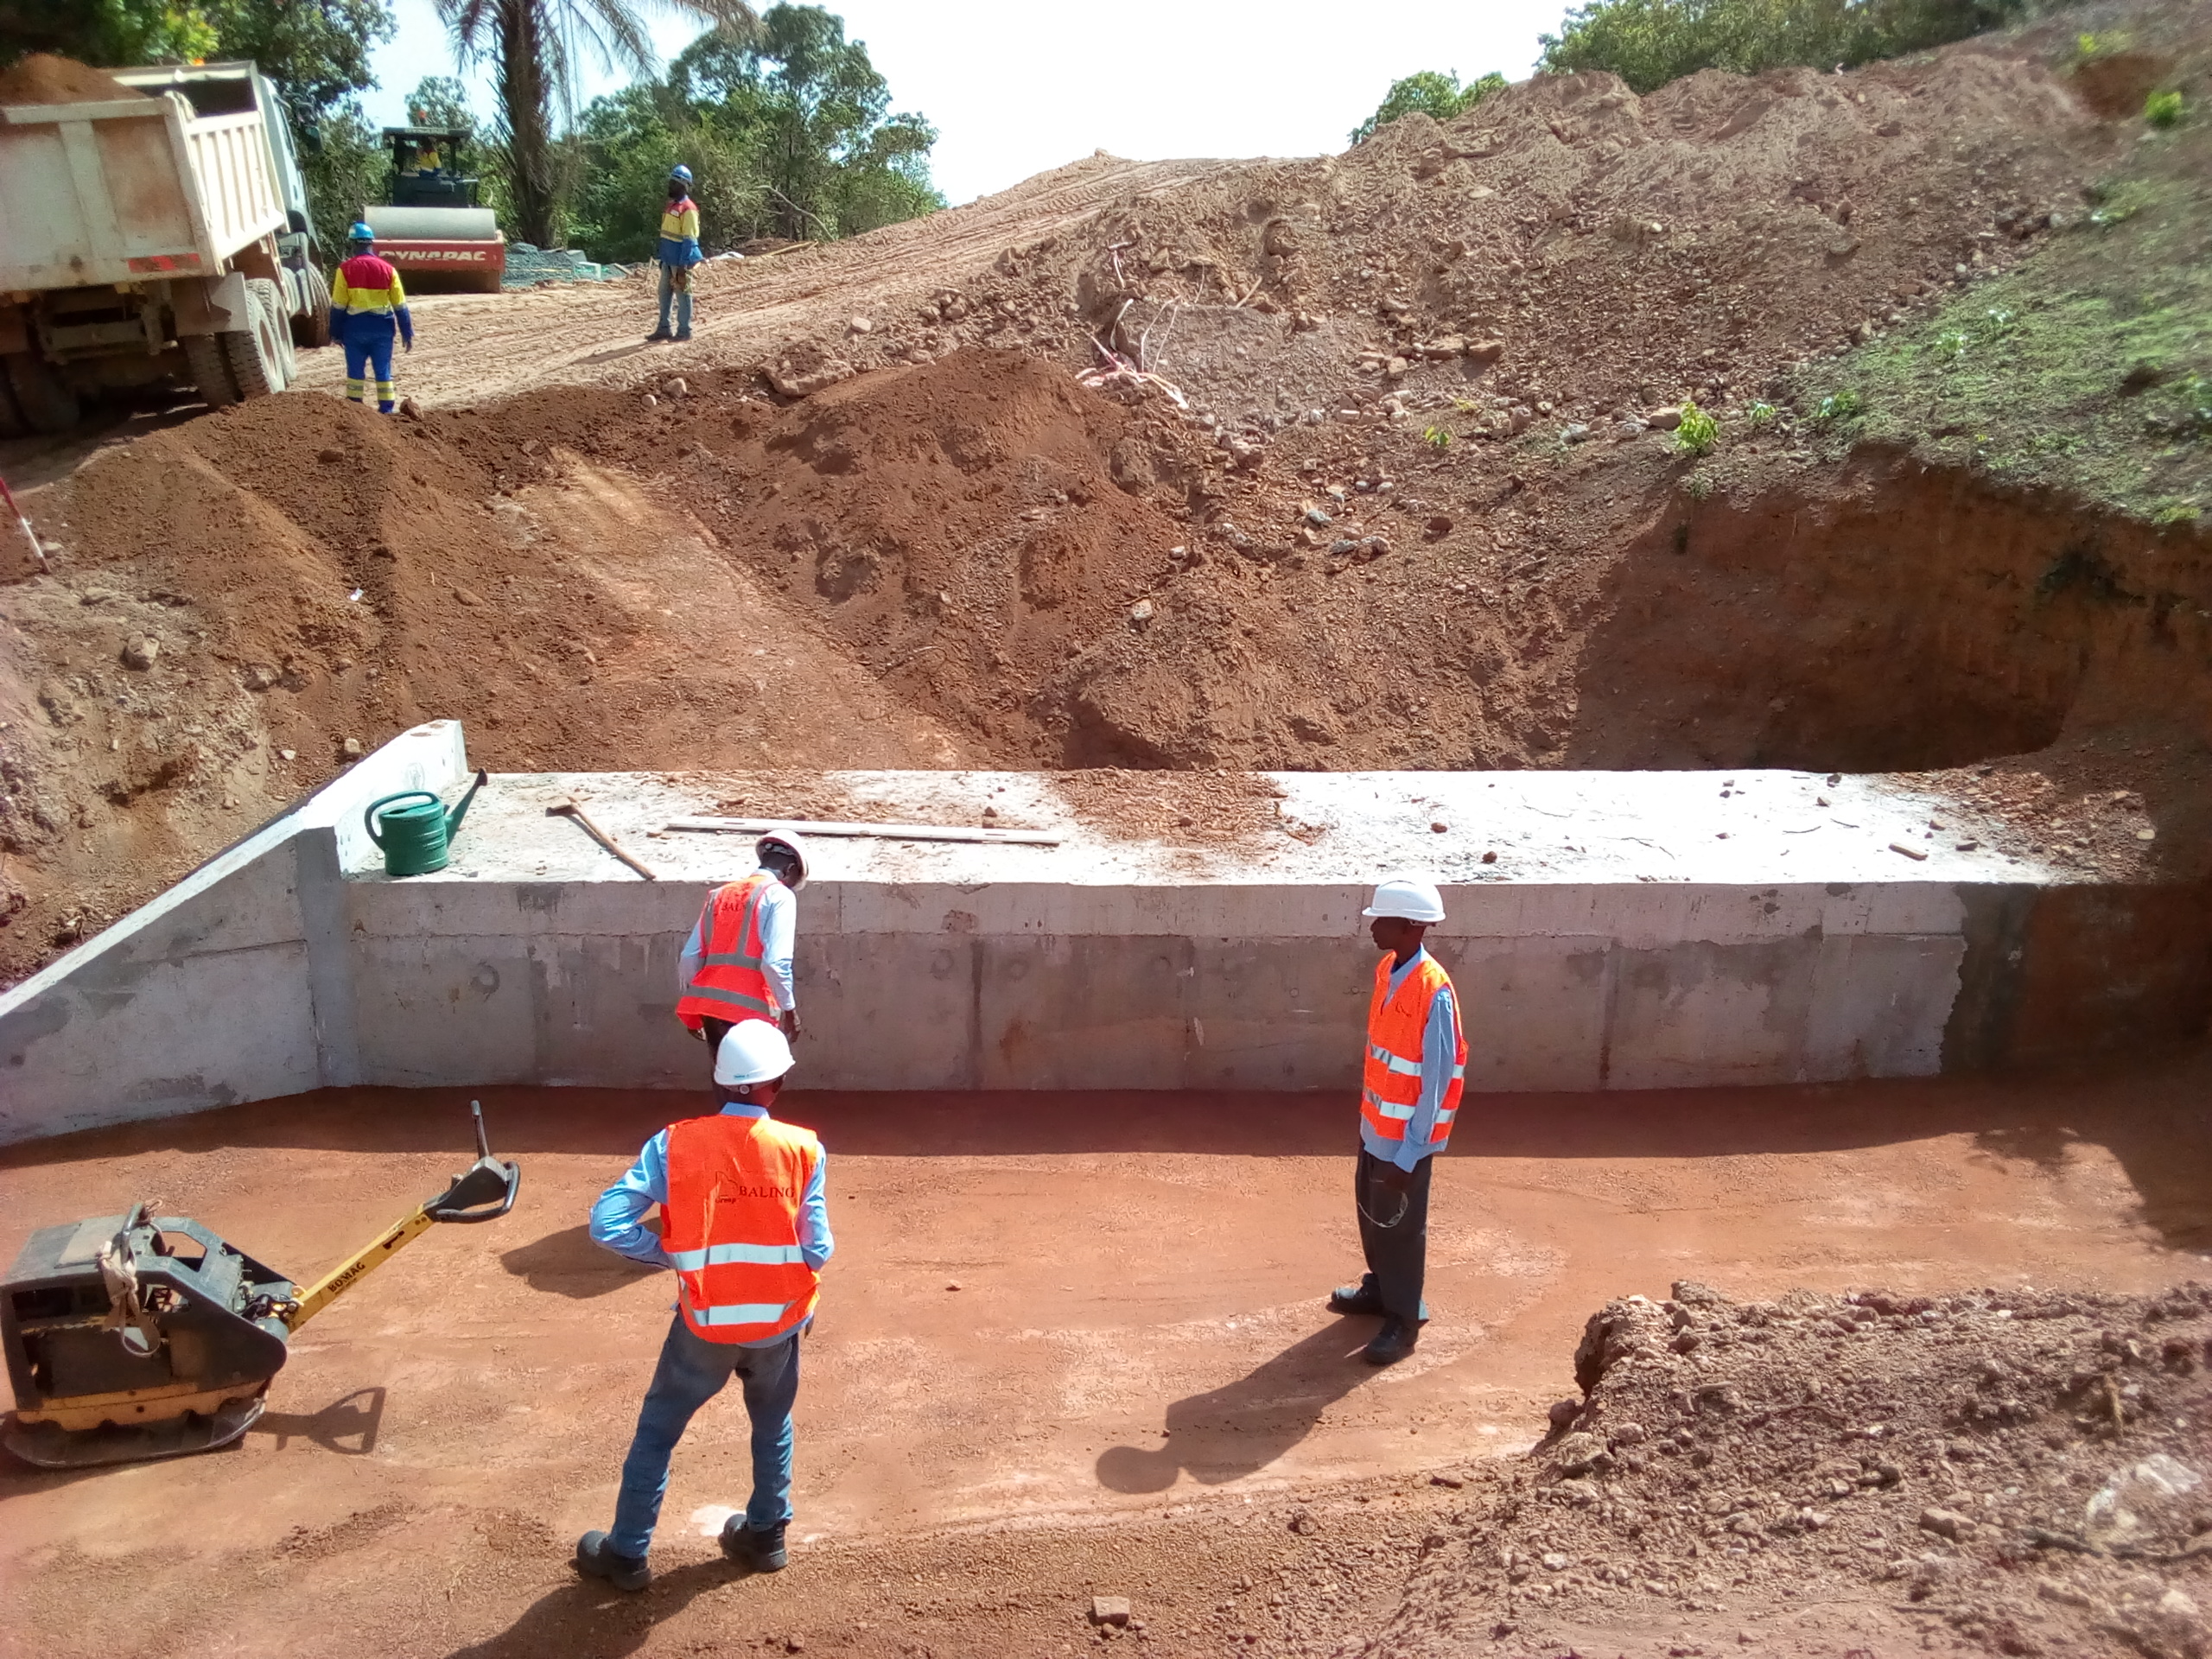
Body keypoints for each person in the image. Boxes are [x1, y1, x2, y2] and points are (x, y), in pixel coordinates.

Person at [576, 1021, 832, 1590]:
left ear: (717, 1083)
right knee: (773, 1427)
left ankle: (627, 1554)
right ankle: (766, 1537)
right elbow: (818, 1248)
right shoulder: (803, 1148)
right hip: (779, 1324)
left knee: (657, 1434)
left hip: (707, 1323)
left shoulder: (675, 1144)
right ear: (778, 1084)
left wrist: (670, 1256)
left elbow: (607, 1224)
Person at [1328, 877, 1465, 1367]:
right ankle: (1381, 1288)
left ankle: (1405, 1319)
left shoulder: (1435, 993)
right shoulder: (1389, 968)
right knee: (1372, 1217)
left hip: (1405, 1141)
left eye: (1381, 920)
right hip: (1375, 1129)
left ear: (1410, 927)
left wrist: (1411, 1153)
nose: (1372, 927)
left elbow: (1438, 1081)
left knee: (1401, 1230)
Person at [676, 831, 808, 1077]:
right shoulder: (779, 895)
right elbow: (774, 963)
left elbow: (689, 957)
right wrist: (790, 1010)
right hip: (751, 1011)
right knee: (758, 1082)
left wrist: (696, 1000)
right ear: (790, 869)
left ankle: (726, 1117)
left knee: (725, 1079)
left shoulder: (719, 895)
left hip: (710, 1008)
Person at [331, 223, 412, 414]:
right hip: (382, 330)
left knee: (355, 374)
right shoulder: (388, 270)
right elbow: (400, 306)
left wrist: (335, 333)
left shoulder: (344, 270)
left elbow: (338, 306)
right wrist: (407, 332)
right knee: (383, 372)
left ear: (353, 244)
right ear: (371, 243)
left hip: (354, 330)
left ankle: (356, 409)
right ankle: (386, 410)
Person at [646, 164, 702, 343]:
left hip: (680, 261)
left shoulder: (688, 208)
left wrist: (683, 264)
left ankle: (684, 330)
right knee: (664, 294)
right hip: (667, 259)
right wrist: (663, 259)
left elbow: (690, 238)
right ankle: (664, 328)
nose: (670, 186)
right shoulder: (671, 206)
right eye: (671, 182)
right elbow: (666, 235)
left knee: (683, 295)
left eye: (674, 183)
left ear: (683, 185)